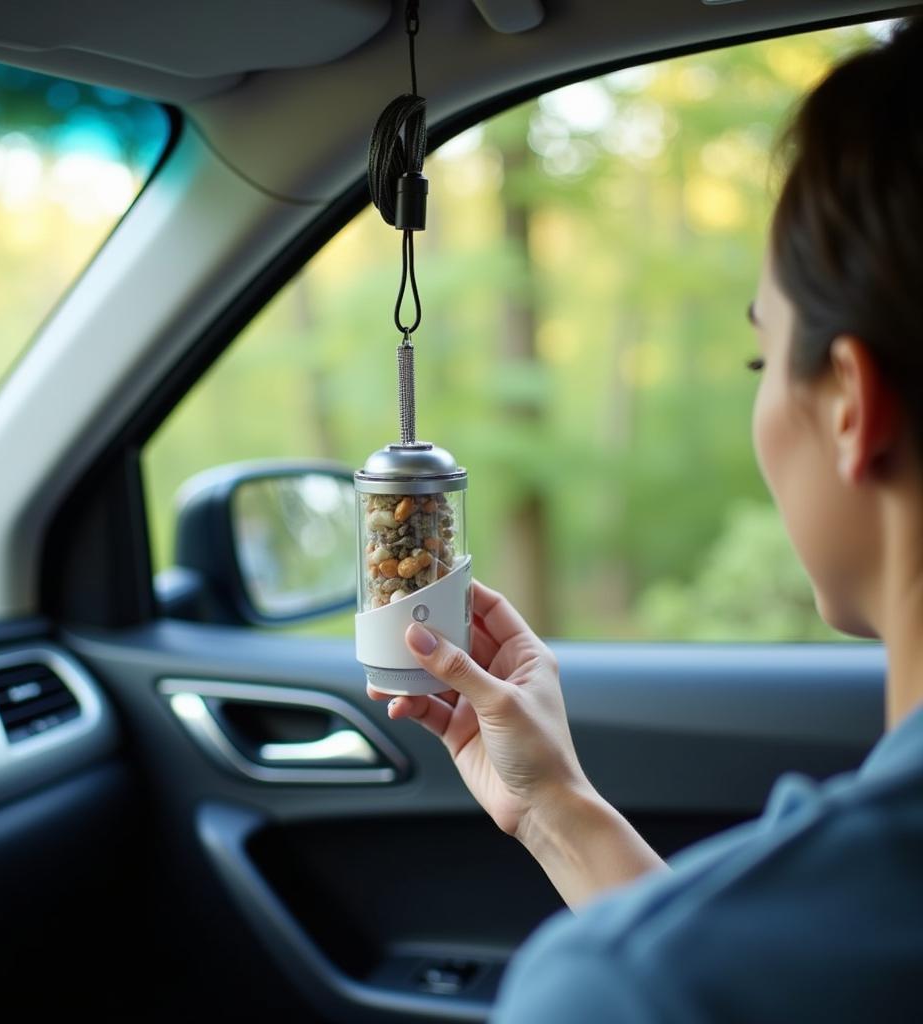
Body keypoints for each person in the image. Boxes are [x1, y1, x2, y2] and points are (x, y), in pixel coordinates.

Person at [366, 15, 923, 1022]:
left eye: (763, 360)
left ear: (850, 404)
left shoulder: (623, 989)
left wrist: (629, 961)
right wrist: (555, 809)